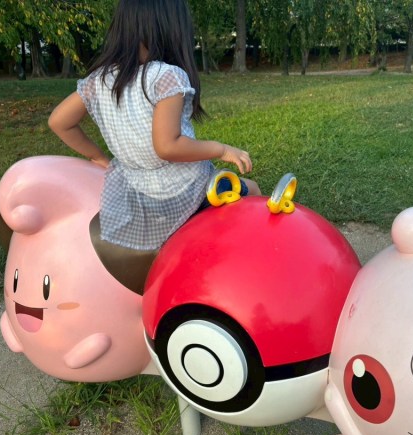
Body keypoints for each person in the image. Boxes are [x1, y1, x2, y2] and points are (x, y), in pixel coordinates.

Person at [48, 0, 260, 251]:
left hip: (140, 196)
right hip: (186, 191)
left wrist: (97, 156)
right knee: (253, 190)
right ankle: (248, 252)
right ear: (171, 28)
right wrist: (222, 149)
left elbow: (59, 122)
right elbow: (168, 147)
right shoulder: (166, 76)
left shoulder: (100, 79)